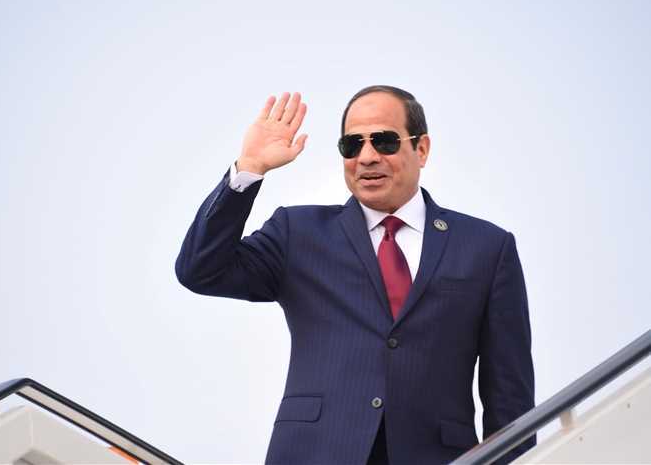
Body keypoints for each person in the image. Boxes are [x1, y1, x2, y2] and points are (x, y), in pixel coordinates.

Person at [175, 86, 535, 465]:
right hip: (315, 454)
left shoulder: (486, 248)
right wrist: (249, 168)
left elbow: (509, 397)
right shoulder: (298, 233)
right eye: (352, 145)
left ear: (422, 149)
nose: (366, 157)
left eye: (384, 141)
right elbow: (200, 270)